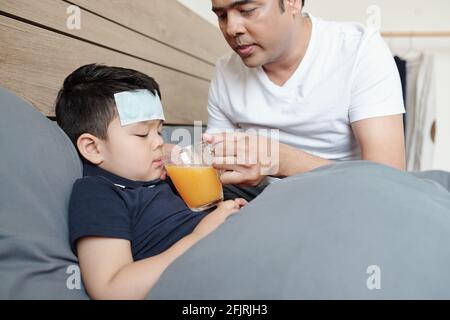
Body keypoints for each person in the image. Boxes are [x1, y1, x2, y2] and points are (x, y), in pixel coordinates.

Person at [55, 64, 247, 300]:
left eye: (159, 130)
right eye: (142, 134)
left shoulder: (161, 175)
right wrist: (201, 236)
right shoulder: (98, 193)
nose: (158, 141)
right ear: (93, 147)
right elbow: (111, 288)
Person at [204, 0, 407, 199]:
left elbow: (388, 181)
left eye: (247, 10)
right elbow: (214, 165)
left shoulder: (359, 50)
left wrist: (279, 160)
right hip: (257, 202)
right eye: (221, 15)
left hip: (342, 197)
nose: (231, 29)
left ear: (292, 3)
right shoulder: (226, 70)